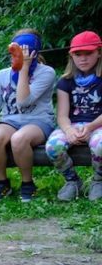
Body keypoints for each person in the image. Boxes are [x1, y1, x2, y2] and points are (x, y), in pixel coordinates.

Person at [0, 29, 57, 202]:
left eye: (23, 52)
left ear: (33, 53)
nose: (17, 56)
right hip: (10, 121)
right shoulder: (0, 76)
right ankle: (2, 182)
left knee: (19, 139)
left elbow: (23, 102)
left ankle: (28, 184)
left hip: (39, 121)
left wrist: (23, 69)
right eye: (15, 52)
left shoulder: (46, 72)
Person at [45, 30, 102, 201]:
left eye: (88, 53)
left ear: (99, 52)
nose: (83, 58)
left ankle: (98, 180)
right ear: (71, 56)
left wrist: (90, 127)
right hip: (73, 124)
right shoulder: (65, 81)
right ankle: (72, 181)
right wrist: (69, 130)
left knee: (100, 145)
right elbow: (62, 114)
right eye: (78, 54)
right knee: (53, 147)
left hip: (97, 124)